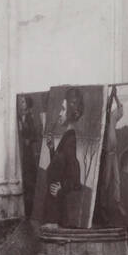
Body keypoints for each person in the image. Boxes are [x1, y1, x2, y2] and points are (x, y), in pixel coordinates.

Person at [44, 87, 87, 227]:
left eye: (63, 109)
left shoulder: (70, 138)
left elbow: (75, 177)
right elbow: (60, 168)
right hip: (55, 209)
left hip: (60, 211)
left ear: (70, 109)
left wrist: (62, 188)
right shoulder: (67, 136)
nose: (59, 113)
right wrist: (51, 150)